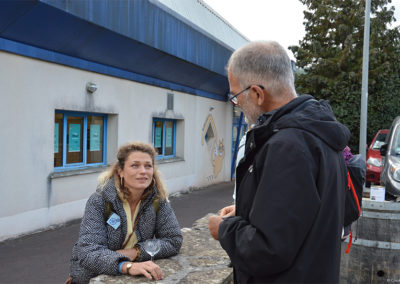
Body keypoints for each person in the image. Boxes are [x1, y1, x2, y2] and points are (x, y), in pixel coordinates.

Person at [208, 41, 350, 283]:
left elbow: (268, 250)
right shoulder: (317, 133)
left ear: (257, 93)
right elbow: (303, 214)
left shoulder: (288, 146)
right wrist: (248, 208)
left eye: (237, 96)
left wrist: (223, 229)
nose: (238, 104)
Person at [67, 142, 182, 283]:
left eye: (148, 166)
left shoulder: (157, 200)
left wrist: (136, 252)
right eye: (135, 165)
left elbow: (173, 240)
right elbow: (89, 251)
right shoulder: (100, 200)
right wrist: (126, 265)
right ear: (120, 171)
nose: (143, 171)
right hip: (91, 277)